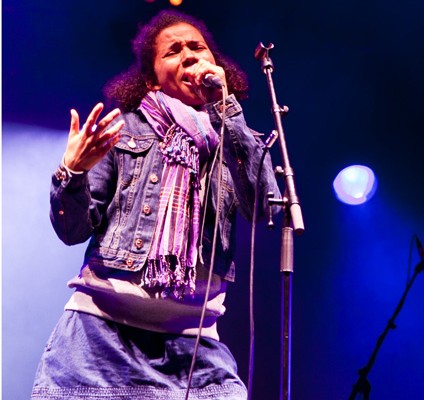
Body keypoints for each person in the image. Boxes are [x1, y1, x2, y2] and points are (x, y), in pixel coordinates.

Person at [31, 9, 280, 400]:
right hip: (99, 346)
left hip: (195, 356)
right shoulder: (123, 129)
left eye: (197, 47)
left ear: (216, 64)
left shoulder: (235, 138)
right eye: (174, 50)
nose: (189, 55)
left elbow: (265, 208)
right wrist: (72, 172)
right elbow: (72, 231)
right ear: (151, 77)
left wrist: (227, 110)